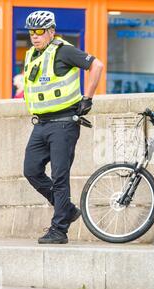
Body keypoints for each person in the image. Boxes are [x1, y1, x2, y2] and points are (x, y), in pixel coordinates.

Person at [22, 10, 104, 244]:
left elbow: (96, 65)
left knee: (60, 176)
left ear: (51, 31)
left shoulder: (64, 50)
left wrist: (88, 98)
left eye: (39, 31)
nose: (35, 36)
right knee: (31, 170)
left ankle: (59, 230)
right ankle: (66, 209)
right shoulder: (31, 55)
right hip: (41, 123)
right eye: (31, 32)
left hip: (64, 124)